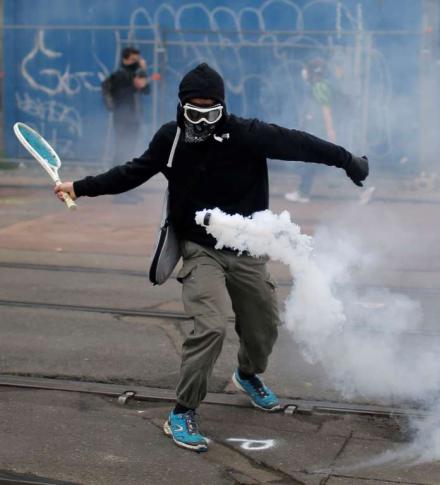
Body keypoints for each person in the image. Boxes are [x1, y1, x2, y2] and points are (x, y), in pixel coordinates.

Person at [55, 63, 369, 452]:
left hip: (247, 248)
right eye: (194, 111)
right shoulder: (170, 140)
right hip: (200, 249)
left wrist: (347, 159)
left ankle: (248, 375)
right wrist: (79, 187)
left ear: (223, 107)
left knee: (264, 324)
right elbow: (131, 172)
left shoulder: (247, 134)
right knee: (211, 326)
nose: (202, 120)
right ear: (181, 107)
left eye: (210, 111)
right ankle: (182, 412)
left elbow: (300, 143)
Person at [285, 57, 375, 205]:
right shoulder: (325, 84)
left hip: (324, 132)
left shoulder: (319, 87)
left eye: (307, 70)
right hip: (324, 132)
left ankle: (365, 187)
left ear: (312, 73)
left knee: (339, 162)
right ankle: (303, 192)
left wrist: (331, 132)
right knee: (316, 162)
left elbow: (326, 111)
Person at [101, 46, 150, 203]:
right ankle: (118, 192)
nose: (137, 62)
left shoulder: (134, 74)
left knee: (128, 154)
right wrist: (134, 85)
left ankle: (126, 190)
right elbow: (120, 95)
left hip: (132, 120)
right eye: (134, 59)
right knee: (121, 154)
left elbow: (146, 90)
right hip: (123, 120)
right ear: (125, 59)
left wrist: (143, 72)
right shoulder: (120, 75)